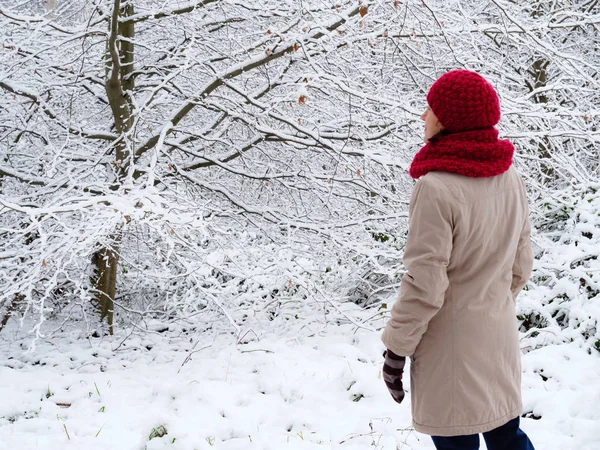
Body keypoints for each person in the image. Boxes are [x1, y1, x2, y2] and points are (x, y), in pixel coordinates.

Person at [380, 70, 536, 450]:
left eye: (430, 109)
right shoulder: (509, 175)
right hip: (497, 338)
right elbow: (522, 264)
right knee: (508, 439)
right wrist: (489, 305)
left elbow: (425, 285)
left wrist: (396, 349)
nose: (423, 116)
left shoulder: (434, 187)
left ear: (449, 120)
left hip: (449, 356)